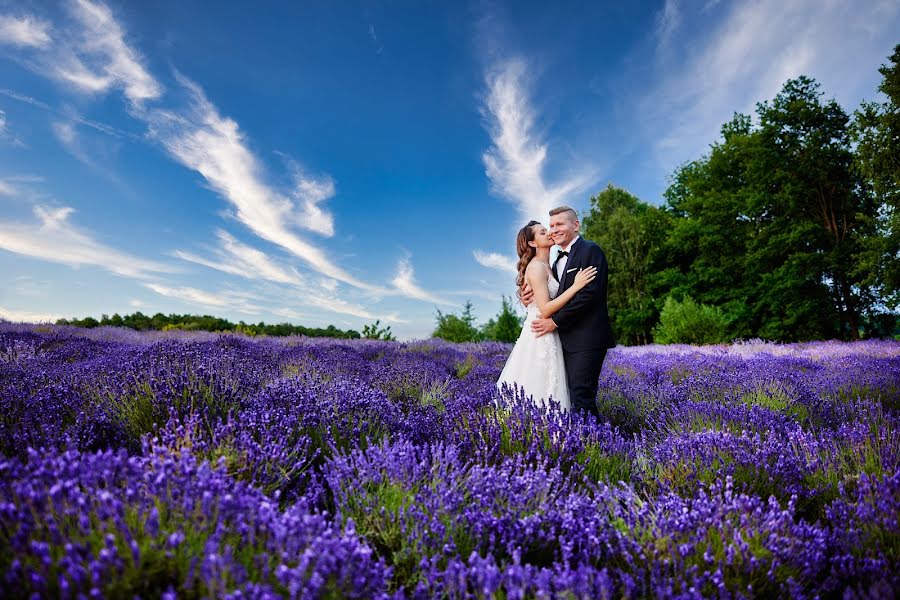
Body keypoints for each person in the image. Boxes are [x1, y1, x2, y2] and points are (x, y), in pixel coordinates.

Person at [525, 206, 615, 418]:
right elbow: (554, 297)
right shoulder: (555, 262)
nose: (554, 230)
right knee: (567, 397)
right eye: (551, 226)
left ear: (576, 225)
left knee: (582, 396)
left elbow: (589, 295)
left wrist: (554, 321)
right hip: (563, 340)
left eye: (560, 224)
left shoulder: (590, 251)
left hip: (587, 338)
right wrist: (531, 297)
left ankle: (599, 446)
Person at [496, 220, 597, 411]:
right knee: (539, 381)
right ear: (533, 243)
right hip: (540, 331)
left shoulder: (548, 265)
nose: (549, 233)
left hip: (550, 330)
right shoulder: (536, 267)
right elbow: (545, 309)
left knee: (551, 382)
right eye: (543, 232)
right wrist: (576, 286)